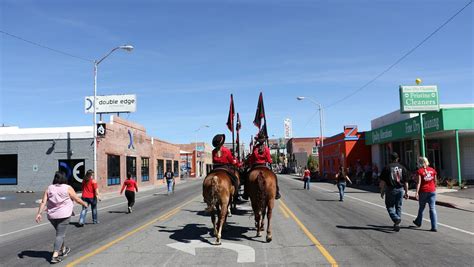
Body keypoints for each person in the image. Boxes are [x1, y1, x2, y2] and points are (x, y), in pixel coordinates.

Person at [35, 171, 87, 264]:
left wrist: (39, 213)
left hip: (51, 216)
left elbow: (43, 202)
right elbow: (77, 199)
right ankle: (55, 255)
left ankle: (63, 249)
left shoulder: (49, 188)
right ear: (64, 178)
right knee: (60, 235)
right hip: (64, 215)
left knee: (60, 233)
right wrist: (84, 204)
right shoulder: (67, 188)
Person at [379, 152, 409, 232]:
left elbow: (383, 182)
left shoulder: (387, 168)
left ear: (390, 159)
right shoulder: (403, 168)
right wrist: (406, 192)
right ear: (397, 158)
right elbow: (406, 182)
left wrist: (382, 191)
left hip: (390, 189)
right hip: (400, 189)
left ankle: (396, 219)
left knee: (389, 206)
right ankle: (397, 224)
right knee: (398, 206)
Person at [246, 133, 281, 199]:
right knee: (274, 177)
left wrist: (250, 163)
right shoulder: (266, 148)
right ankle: (277, 192)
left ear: (258, 140)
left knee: (247, 177)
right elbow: (268, 159)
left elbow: (252, 158)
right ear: (264, 140)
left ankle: (246, 193)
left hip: (255, 166)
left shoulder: (255, 148)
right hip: (264, 165)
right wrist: (270, 161)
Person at [413, 157, 438, 232]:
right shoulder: (432, 170)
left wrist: (416, 192)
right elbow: (435, 180)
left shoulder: (419, 171)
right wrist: (434, 187)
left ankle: (418, 221)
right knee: (432, 208)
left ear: (420, 163)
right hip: (432, 191)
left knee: (421, 208)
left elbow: (419, 182)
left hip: (423, 191)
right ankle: (434, 226)